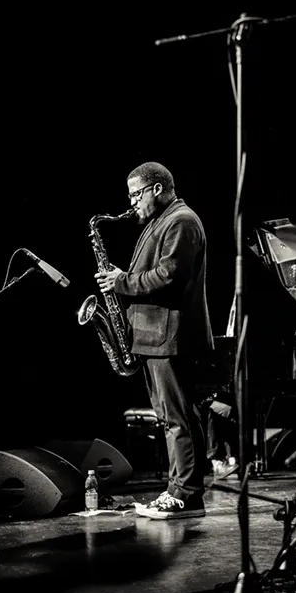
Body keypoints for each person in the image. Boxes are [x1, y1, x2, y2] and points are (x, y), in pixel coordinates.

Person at [96, 161, 214, 520]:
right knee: (169, 418)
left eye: (136, 194)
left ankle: (187, 495)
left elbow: (170, 276)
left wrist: (122, 282)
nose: (132, 203)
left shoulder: (181, 220)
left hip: (170, 336)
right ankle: (178, 490)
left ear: (157, 189)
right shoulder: (159, 222)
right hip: (154, 335)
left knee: (178, 418)